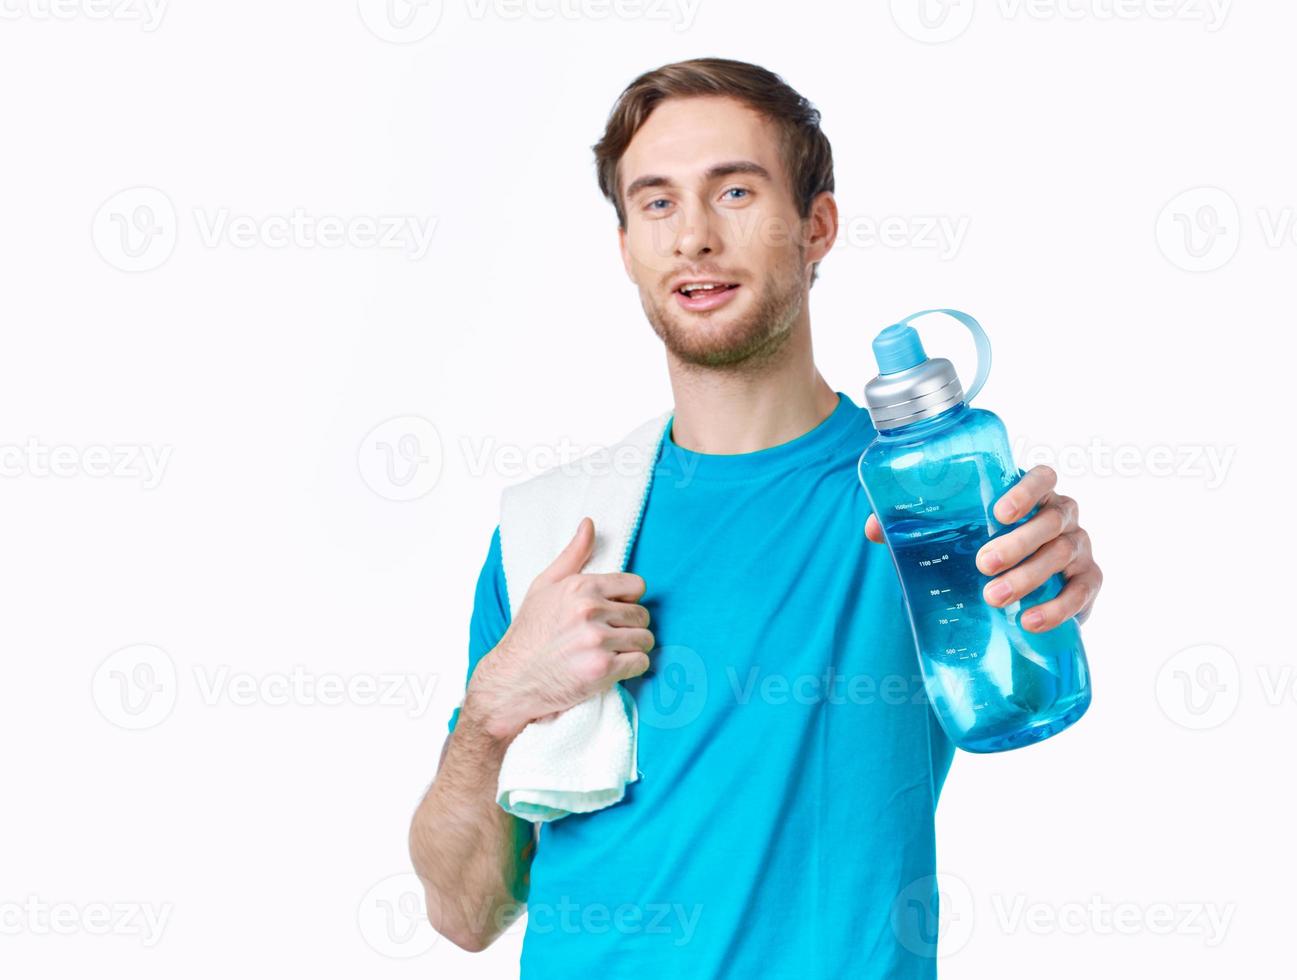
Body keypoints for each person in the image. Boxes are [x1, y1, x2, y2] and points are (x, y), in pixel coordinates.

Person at [408, 57, 1102, 978]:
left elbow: (1021, 665)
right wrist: (493, 707)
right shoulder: (553, 535)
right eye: (656, 203)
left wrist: (1052, 580)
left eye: (734, 192)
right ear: (626, 248)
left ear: (816, 227)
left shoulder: (917, 502)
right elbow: (464, 911)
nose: (693, 237)